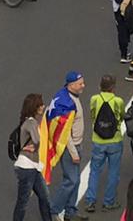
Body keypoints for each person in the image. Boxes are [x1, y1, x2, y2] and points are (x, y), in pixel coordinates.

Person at [84, 74, 126, 213]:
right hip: (114, 140)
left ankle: (90, 201)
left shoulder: (94, 99)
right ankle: (109, 201)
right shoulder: (118, 100)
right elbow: (120, 117)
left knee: (95, 170)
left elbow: (92, 115)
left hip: (98, 140)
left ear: (99, 86)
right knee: (113, 172)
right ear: (113, 88)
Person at [48, 72, 86, 218]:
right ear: (71, 85)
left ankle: (70, 211)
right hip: (71, 148)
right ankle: (54, 210)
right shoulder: (67, 104)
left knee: (75, 180)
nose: (83, 85)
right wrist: (74, 153)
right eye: (80, 83)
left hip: (77, 144)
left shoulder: (69, 97)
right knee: (71, 180)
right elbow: (64, 134)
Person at [11, 94, 53, 221]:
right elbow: (36, 139)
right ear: (35, 107)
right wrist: (37, 144)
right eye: (40, 105)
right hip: (27, 167)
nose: (43, 107)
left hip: (31, 167)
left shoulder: (26, 121)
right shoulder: (31, 122)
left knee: (44, 197)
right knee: (23, 201)